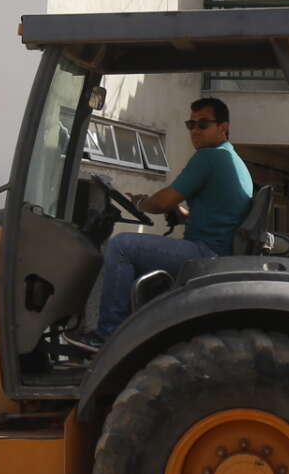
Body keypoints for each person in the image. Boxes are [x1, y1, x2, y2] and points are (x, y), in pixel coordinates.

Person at [87, 97, 255, 342]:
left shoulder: (209, 157)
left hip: (205, 254)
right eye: (191, 124)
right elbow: (219, 216)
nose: (195, 131)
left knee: (121, 246)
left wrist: (140, 204)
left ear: (223, 126)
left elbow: (163, 201)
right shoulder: (232, 159)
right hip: (217, 250)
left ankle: (108, 335)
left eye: (203, 124)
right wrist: (182, 214)